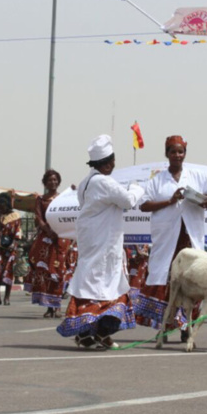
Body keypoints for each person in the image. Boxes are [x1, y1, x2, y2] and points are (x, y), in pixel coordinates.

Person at [56, 135, 144, 349]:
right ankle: (99, 331)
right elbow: (128, 201)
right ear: (108, 162)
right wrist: (137, 187)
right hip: (103, 243)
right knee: (106, 285)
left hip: (92, 239)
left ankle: (92, 333)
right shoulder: (104, 182)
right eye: (112, 161)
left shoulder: (86, 182)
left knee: (91, 281)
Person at [136, 135, 207, 336]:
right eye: (173, 151)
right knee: (168, 282)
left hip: (190, 240)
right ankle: (165, 327)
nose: (177, 155)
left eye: (180, 151)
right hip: (168, 240)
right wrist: (170, 200)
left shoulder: (196, 176)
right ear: (166, 154)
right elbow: (143, 205)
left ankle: (187, 326)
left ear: (185, 154)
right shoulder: (157, 180)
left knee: (192, 282)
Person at [26, 169, 71, 318]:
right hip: (45, 240)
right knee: (45, 272)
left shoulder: (64, 198)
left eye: (55, 180)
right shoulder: (40, 199)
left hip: (60, 240)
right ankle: (48, 306)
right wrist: (48, 230)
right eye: (50, 180)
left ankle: (57, 305)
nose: (53, 182)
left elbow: (68, 215)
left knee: (58, 272)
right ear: (45, 183)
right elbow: (38, 218)